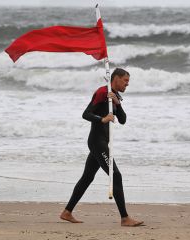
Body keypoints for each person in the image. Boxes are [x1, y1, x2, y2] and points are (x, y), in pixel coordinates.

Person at [60, 68, 143, 227]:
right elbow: (86, 114)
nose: (127, 84)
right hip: (97, 142)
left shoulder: (115, 96)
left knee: (87, 178)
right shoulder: (101, 92)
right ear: (116, 78)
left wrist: (118, 104)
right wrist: (103, 119)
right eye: (125, 80)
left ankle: (67, 212)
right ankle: (125, 218)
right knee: (116, 176)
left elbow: (123, 120)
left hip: (103, 142)